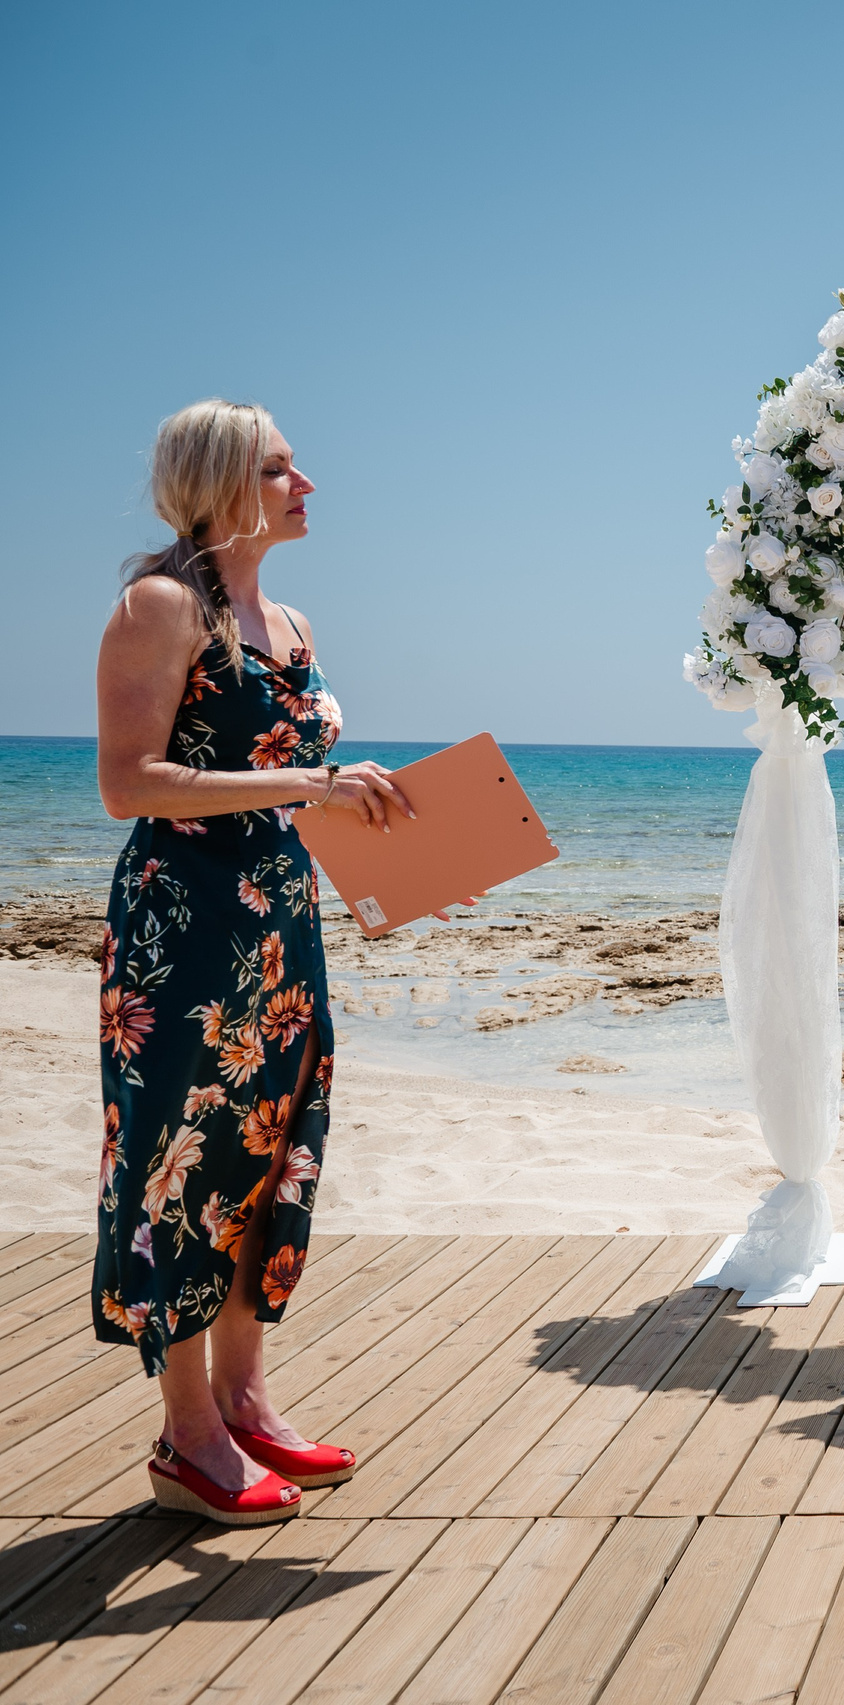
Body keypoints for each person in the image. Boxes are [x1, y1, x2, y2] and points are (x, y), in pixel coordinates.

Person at [93, 401, 416, 1524]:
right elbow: (130, 783)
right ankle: (187, 1438)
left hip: (281, 920)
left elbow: (295, 782)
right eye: (282, 468)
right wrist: (305, 786)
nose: (307, 483)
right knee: (183, 1158)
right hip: (183, 926)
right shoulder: (160, 604)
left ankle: (245, 1400)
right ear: (224, 481)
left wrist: (397, 835)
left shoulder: (292, 622)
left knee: (275, 1153)